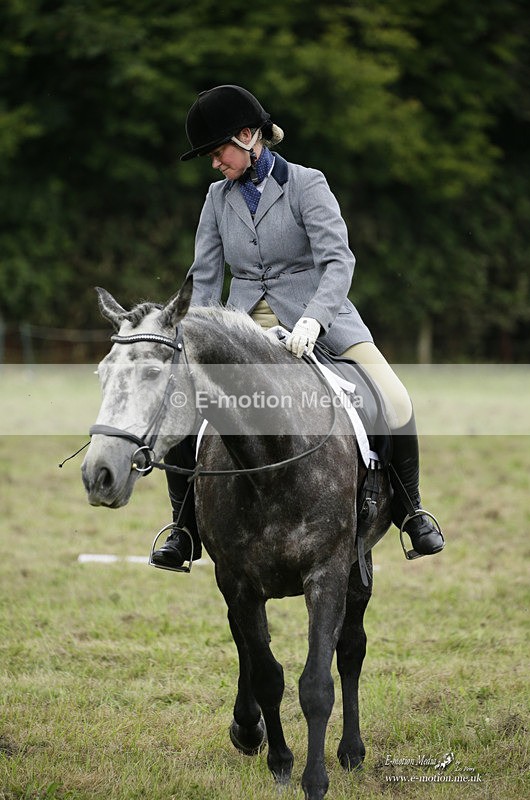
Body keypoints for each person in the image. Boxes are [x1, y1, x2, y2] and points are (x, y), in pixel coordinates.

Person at [151, 84, 445, 570]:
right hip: (243, 321)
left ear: (248, 138)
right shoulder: (216, 198)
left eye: (217, 151)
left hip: (319, 313)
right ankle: (183, 527)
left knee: (395, 399)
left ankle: (412, 509)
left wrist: (314, 316)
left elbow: (338, 260)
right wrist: (193, 334)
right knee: (186, 404)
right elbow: (203, 278)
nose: (214, 163)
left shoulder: (307, 184)